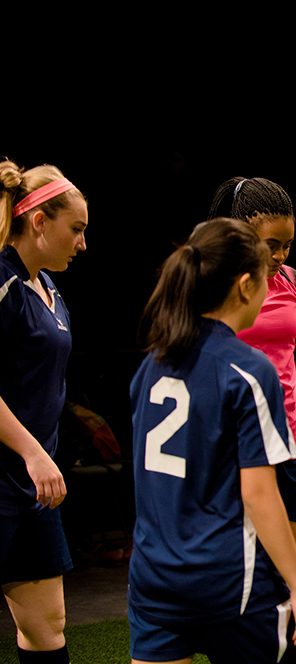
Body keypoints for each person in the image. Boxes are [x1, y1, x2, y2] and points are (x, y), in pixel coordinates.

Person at [129, 219, 296, 664]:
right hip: (227, 581)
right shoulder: (249, 370)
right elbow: (258, 493)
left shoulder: (152, 364)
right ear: (243, 286)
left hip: (152, 578)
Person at [207, 177, 296, 552]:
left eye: (287, 246)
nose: (280, 256)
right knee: (238, 570)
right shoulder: (212, 284)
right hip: (234, 441)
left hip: (289, 440)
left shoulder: (295, 284)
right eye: (271, 245)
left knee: (286, 574)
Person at [1, 159, 87, 664]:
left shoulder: (50, 290)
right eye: (75, 229)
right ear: (39, 221)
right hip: (4, 477)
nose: (82, 243)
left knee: (48, 625)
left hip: (32, 486)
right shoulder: (3, 284)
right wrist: (33, 453)